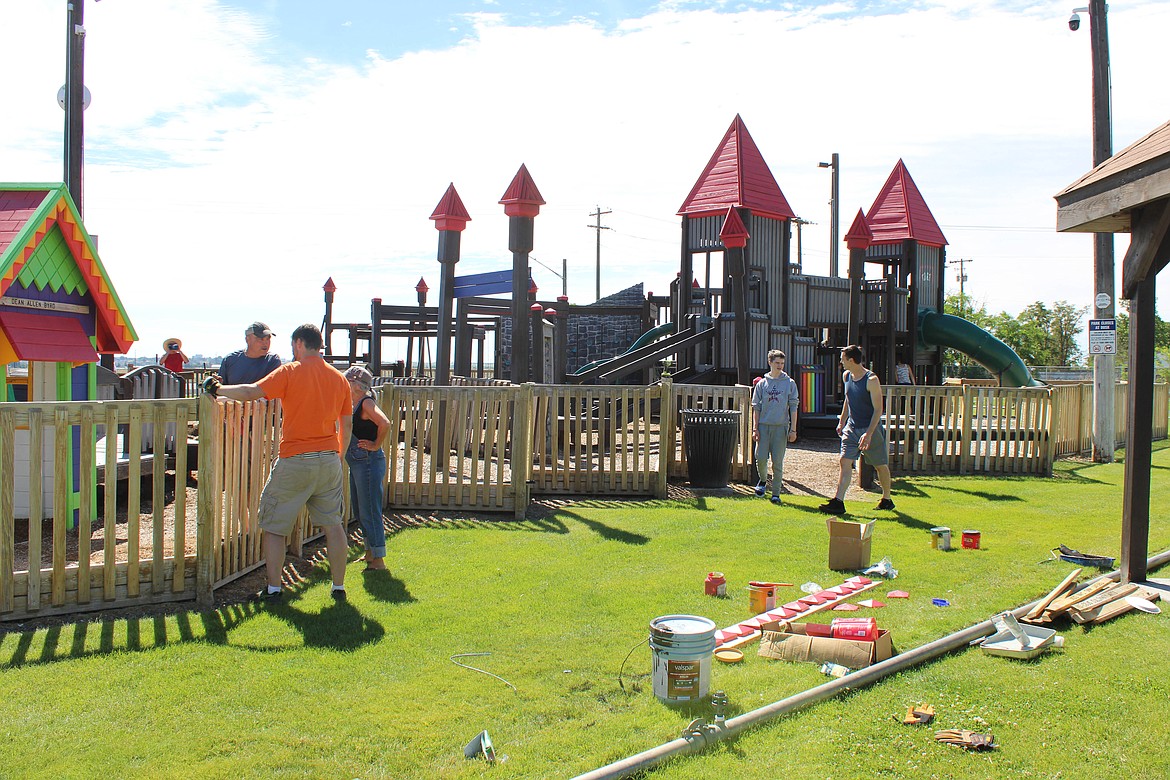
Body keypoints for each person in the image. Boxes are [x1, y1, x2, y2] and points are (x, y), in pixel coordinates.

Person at [207, 323, 352, 602]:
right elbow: (346, 422)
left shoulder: (290, 371)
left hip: (296, 458)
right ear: (318, 344)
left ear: (299, 343)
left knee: (274, 526)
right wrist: (338, 454)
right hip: (329, 459)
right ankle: (338, 587)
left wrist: (218, 388)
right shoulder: (338, 378)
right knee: (333, 525)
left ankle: (274, 589)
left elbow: (251, 392)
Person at [819, 344, 895, 515]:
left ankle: (886, 499)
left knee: (880, 465)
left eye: (842, 360)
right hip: (851, 428)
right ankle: (838, 502)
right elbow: (848, 399)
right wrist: (842, 421)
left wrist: (868, 434)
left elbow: (878, 410)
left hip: (870, 429)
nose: (841, 363)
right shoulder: (847, 376)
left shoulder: (871, 380)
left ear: (851, 360)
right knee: (844, 461)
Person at [343, 365, 391, 572]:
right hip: (358, 463)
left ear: (355, 384)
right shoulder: (353, 403)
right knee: (361, 509)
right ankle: (370, 553)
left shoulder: (366, 403)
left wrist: (375, 445)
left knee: (370, 510)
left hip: (368, 462)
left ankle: (378, 559)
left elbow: (385, 423)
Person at [751, 349, 799, 505]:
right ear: (770, 363)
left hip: (781, 427)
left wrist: (793, 430)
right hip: (764, 427)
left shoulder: (789, 383)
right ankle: (763, 481)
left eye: (782, 363)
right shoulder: (762, 384)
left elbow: (793, 406)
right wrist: (755, 428)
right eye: (777, 363)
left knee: (777, 462)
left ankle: (776, 493)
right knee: (761, 459)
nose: (780, 366)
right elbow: (756, 407)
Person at [217, 322, 282, 385]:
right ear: (247, 339)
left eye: (268, 339)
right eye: (260, 339)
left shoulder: (272, 361)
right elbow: (221, 387)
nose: (265, 343)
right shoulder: (230, 360)